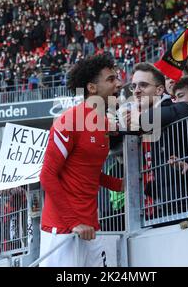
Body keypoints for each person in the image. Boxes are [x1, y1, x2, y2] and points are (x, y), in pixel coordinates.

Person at [39, 54, 124, 267]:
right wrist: (74, 222)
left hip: (89, 228)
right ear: (92, 89)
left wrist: (122, 185)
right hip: (63, 230)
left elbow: (88, 171)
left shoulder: (104, 123)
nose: (119, 83)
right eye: (111, 79)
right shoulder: (69, 121)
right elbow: (47, 176)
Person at [129, 63, 188, 219]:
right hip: (161, 207)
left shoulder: (180, 108)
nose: (137, 91)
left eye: (143, 85)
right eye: (133, 87)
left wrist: (136, 119)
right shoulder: (141, 120)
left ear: (160, 90)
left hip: (187, 205)